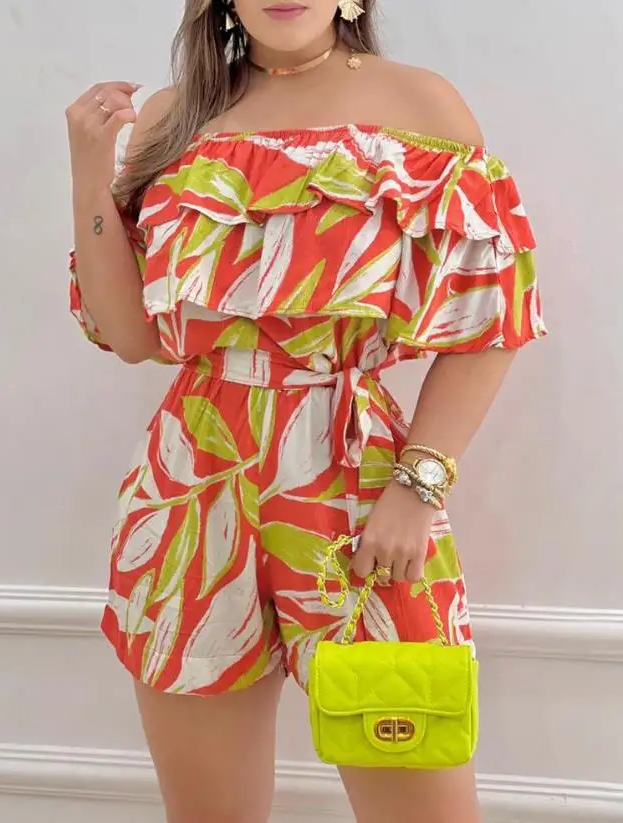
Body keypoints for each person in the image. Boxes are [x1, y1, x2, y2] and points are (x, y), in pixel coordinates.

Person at [65, 1, 546, 821]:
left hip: (360, 482)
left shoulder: (419, 103)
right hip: (194, 485)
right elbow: (133, 336)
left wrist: (419, 485)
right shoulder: (174, 116)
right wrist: (89, 169)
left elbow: (493, 315)